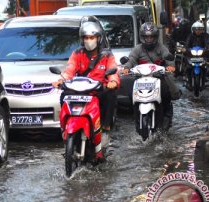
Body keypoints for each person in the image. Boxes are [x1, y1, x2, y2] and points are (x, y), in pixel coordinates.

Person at [52, 16, 120, 147]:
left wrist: (113, 81)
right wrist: (62, 80)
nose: (89, 41)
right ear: (82, 39)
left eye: (92, 38)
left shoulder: (107, 55)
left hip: (98, 90)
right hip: (80, 90)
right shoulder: (77, 53)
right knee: (64, 95)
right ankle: (65, 127)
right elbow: (70, 69)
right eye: (86, 38)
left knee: (110, 96)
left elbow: (113, 70)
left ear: (98, 39)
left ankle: (105, 129)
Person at [121, 22, 181, 130]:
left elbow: (168, 58)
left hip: (158, 78)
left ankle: (167, 115)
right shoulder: (137, 49)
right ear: (142, 37)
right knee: (131, 95)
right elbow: (131, 60)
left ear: (155, 37)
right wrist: (126, 68)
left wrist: (170, 67)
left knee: (166, 93)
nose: (149, 39)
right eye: (146, 37)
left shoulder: (161, 47)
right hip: (141, 79)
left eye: (151, 37)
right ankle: (136, 117)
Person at [184, 20, 209, 89]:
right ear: (193, 30)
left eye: (200, 29)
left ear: (202, 30)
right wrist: (186, 49)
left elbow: (208, 43)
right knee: (188, 67)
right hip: (192, 55)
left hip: (203, 54)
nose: (198, 31)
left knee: (208, 63)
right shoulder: (190, 36)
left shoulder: (206, 35)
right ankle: (189, 82)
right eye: (196, 29)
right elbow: (187, 45)